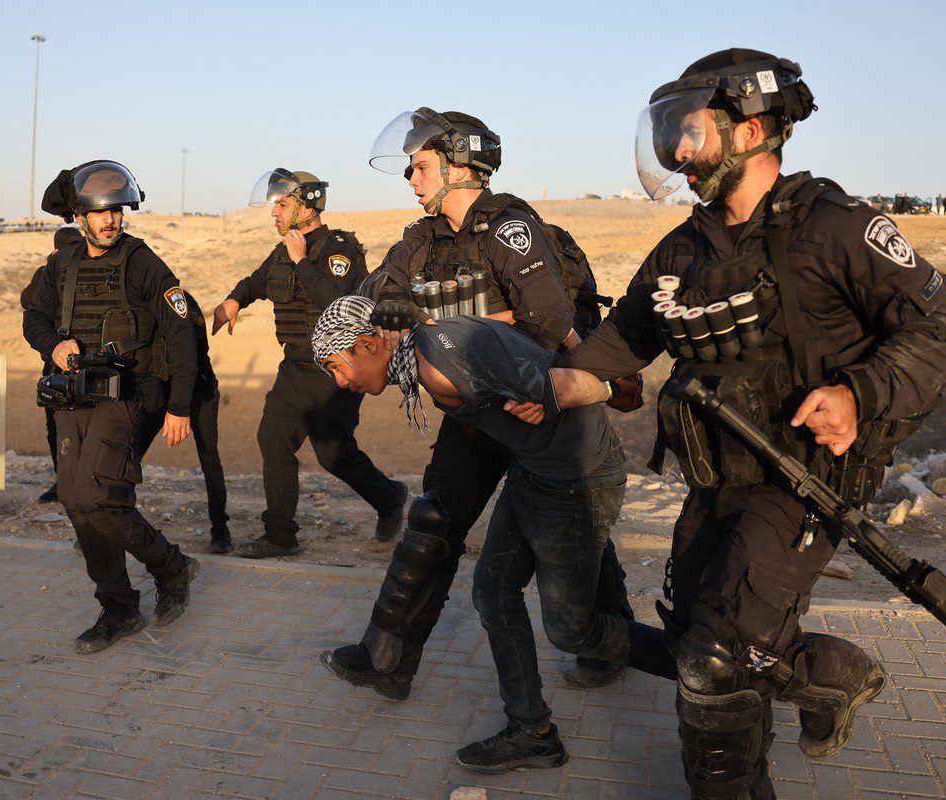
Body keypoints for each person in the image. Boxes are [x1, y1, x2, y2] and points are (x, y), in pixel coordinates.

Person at [537, 49, 946, 798]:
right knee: (695, 641)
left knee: (716, 659)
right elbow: (612, 355)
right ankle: (837, 678)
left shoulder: (836, 227)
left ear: (753, 127)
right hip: (715, 481)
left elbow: (941, 328)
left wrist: (859, 395)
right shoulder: (680, 250)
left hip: (803, 481)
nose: (676, 150)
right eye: (669, 132)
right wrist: (542, 389)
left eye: (691, 130)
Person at [319, 108, 642, 702]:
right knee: (436, 518)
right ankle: (386, 656)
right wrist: (386, 302)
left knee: (573, 529)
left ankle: (605, 642)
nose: (410, 180)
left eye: (419, 167)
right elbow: (381, 287)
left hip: (541, 404)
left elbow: (549, 321)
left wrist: (459, 325)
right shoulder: (423, 240)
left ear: (459, 165)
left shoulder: (510, 229)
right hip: (474, 413)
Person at [312, 297, 676, 772]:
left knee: (572, 629)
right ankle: (532, 732)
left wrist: (595, 389)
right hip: (534, 469)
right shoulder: (426, 342)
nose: (341, 382)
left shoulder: (438, 367)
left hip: (575, 478)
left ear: (366, 344)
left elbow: (574, 384)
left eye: (338, 367)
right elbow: (504, 335)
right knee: (492, 591)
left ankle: (702, 669)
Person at [23, 160, 202, 654]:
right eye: (100, 213)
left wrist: (180, 408)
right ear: (79, 216)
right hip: (73, 393)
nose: (111, 220)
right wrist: (52, 347)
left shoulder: (144, 263)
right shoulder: (62, 265)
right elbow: (34, 316)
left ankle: (171, 567)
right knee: (76, 502)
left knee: (99, 496)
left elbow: (181, 334)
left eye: (117, 211)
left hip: (129, 396)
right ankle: (119, 607)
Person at [212, 169, 406, 559]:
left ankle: (389, 498)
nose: (274, 214)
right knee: (272, 439)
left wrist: (302, 262)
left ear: (307, 206)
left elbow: (334, 299)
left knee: (333, 455)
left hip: (335, 372)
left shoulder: (338, 248)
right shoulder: (284, 250)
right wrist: (234, 300)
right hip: (293, 368)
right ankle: (280, 535)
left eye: (282, 205)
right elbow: (256, 281)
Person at [137, 288, 232, 554]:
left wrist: (179, 410)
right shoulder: (142, 304)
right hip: (161, 387)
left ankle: (220, 528)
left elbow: (190, 361)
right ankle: (111, 523)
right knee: (130, 452)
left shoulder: (181, 305)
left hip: (198, 389)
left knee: (209, 456)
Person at [20, 225, 84, 503]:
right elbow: (28, 301)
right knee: (53, 425)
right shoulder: (49, 272)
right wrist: (50, 265)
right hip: (53, 362)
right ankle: (63, 482)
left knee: (80, 426)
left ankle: (78, 483)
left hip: (81, 363)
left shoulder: (83, 270)